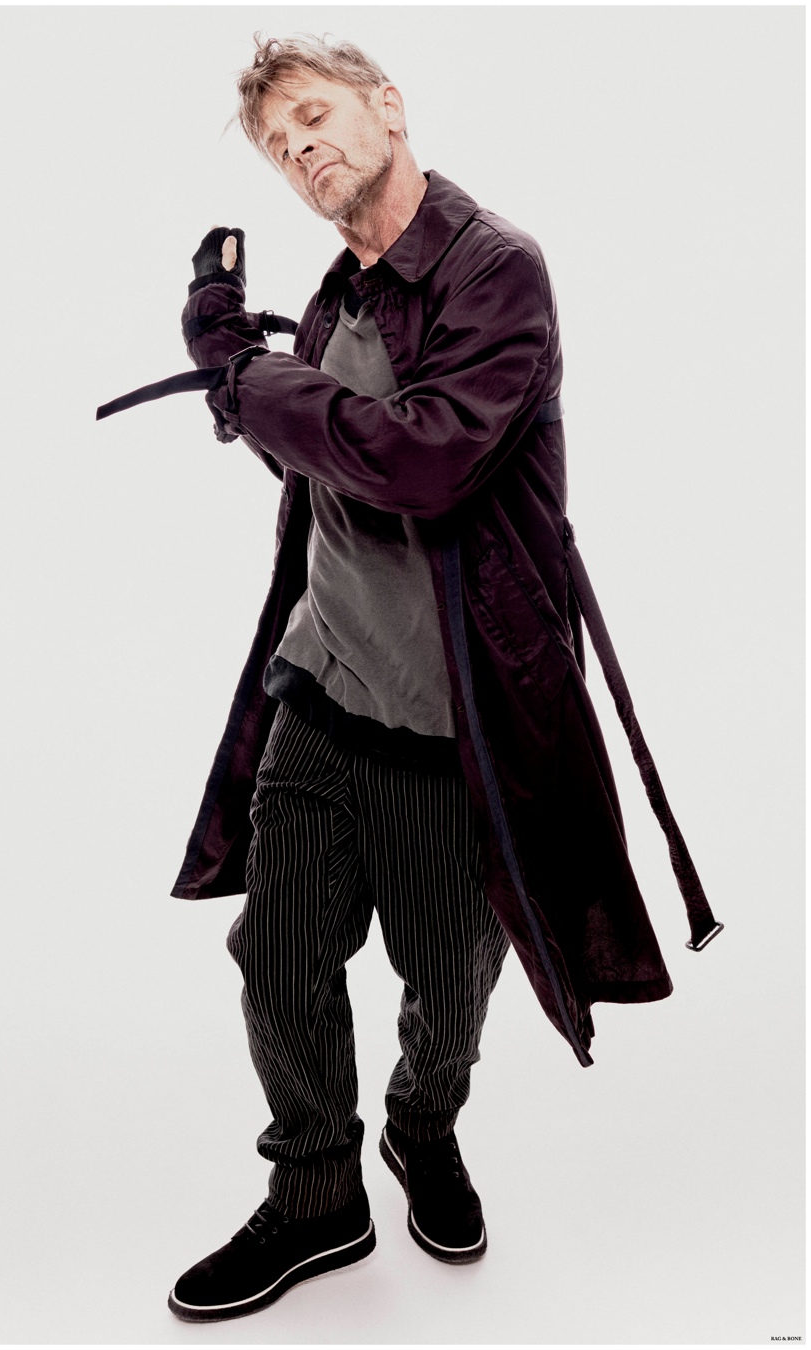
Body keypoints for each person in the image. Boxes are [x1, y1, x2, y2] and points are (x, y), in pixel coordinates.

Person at [105, 30, 722, 1326]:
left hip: (454, 725)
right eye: (279, 142)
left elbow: (423, 461)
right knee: (277, 957)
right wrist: (235, 358)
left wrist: (243, 375)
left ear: (387, 106)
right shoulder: (338, 294)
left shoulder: (497, 270)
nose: (301, 148)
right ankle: (317, 1193)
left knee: (449, 988)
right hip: (321, 689)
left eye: (315, 115)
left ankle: (420, 1125)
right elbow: (320, 460)